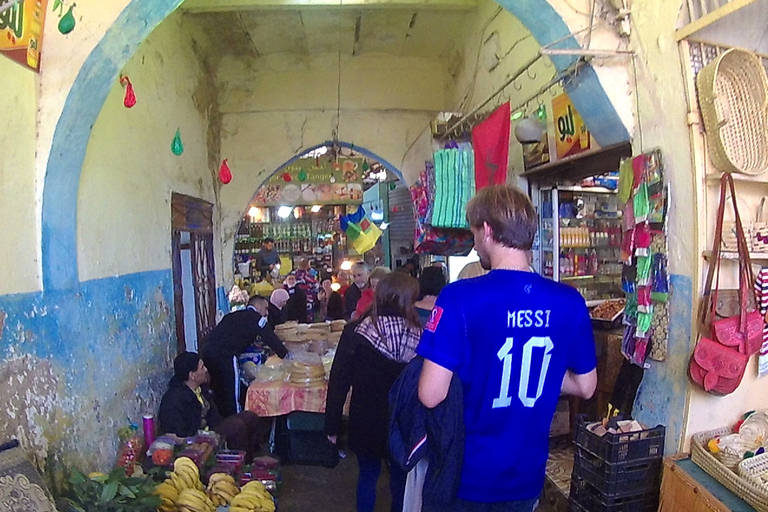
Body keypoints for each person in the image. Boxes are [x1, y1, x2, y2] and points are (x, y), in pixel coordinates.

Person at [417, 184, 597, 511]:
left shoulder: (458, 298)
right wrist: (537, 375)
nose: (474, 247)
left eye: (473, 235)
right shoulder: (570, 302)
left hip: (467, 477)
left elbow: (430, 394)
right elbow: (586, 386)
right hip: (526, 477)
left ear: (487, 230)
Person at [325, 272, 423, 512]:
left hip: (365, 419)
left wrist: (332, 426)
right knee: (400, 481)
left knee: (367, 477)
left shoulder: (356, 332)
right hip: (403, 423)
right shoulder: (422, 336)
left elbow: (338, 381)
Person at [158, 352, 265, 460]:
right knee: (236, 427)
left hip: (212, 430)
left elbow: (215, 418)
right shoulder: (174, 399)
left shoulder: (202, 389)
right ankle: (241, 465)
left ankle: (251, 459)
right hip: (196, 438)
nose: (205, 370)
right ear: (192, 375)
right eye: (202, 367)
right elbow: (178, 433)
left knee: (250, 417)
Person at [201, 295, 288, 417]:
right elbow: (270, 337)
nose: (267, 312)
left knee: (217, 387)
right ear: (257, 306)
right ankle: (237, 421)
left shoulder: (233, 315)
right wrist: (286, 356)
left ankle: (220, 421)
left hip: (207, 352)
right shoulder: (256, 317)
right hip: (225, 355)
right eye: (265, 308)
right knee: (232, 390)